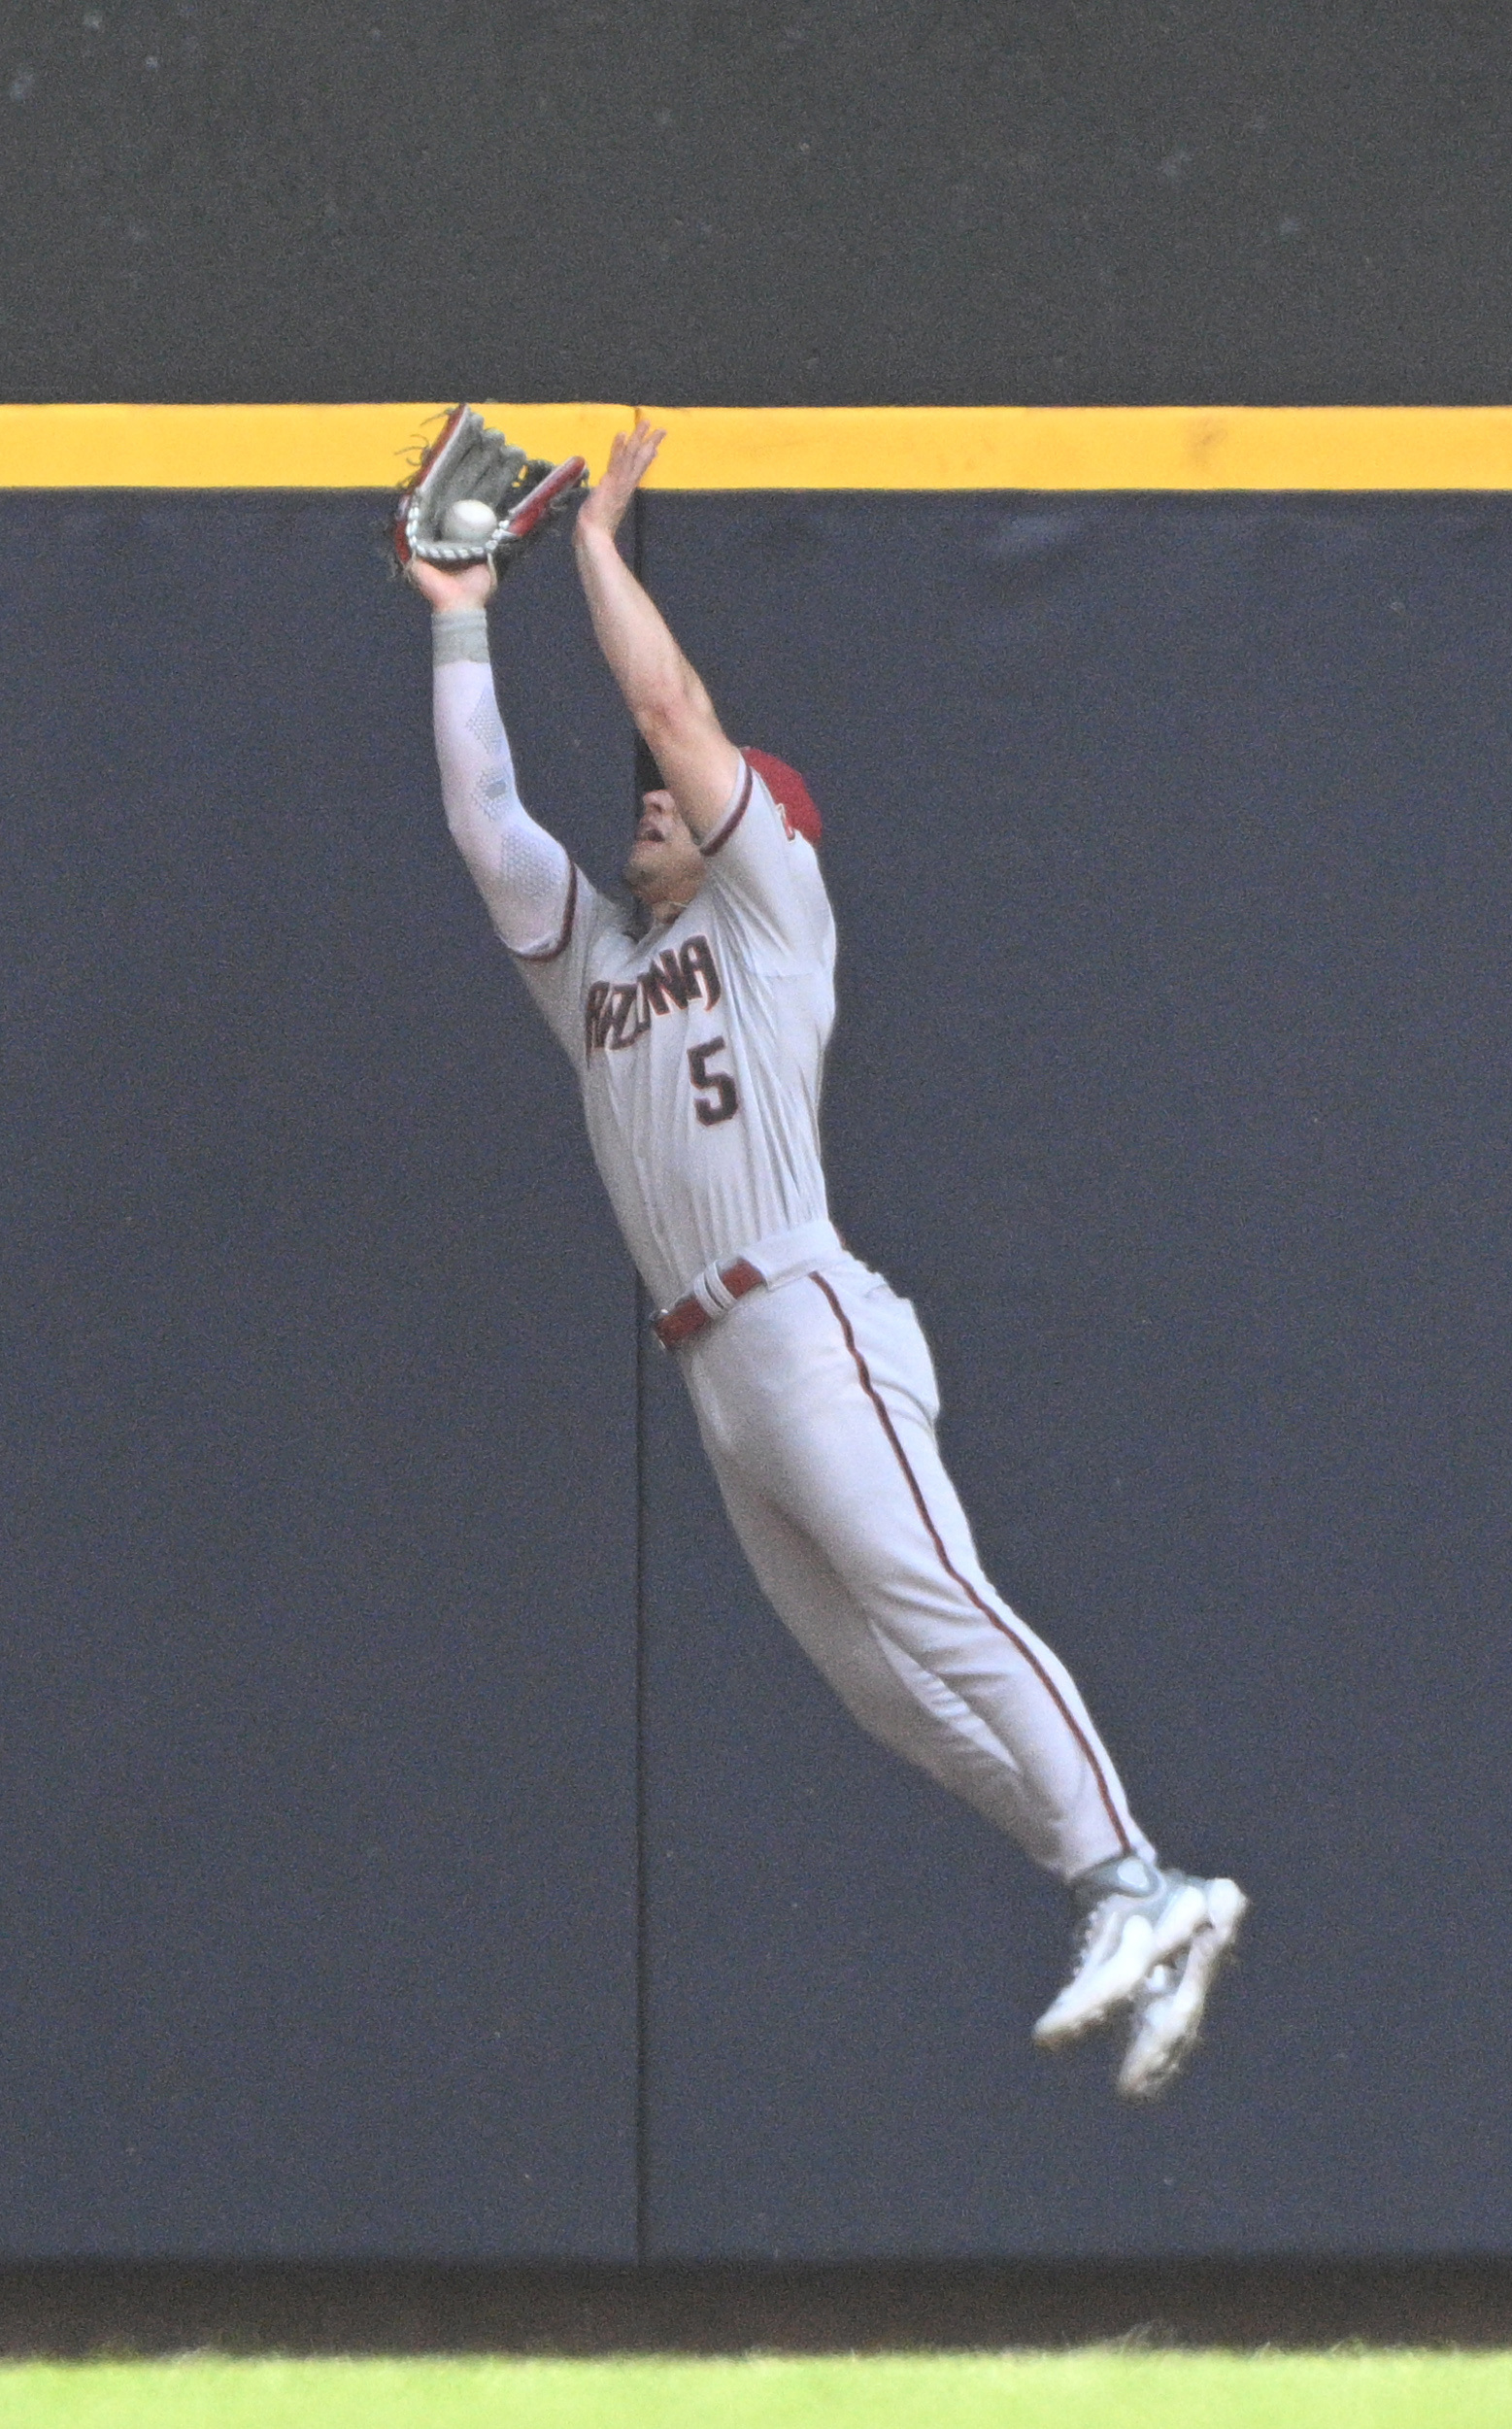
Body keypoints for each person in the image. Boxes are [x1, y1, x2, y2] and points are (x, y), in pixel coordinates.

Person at [404, 414, 1245, 2099]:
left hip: (803, 1311)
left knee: (936, 1595)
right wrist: (454, 610)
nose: (649, 804)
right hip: (716, 1369)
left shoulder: (774, 910)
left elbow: (674, 714)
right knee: (884, 1692)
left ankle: (1141, 1877)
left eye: (680, 806)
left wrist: (591, 553)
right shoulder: (600, 972)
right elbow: (489, 818)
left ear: (746, 831)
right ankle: (1123, 1887)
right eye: (651, 805)